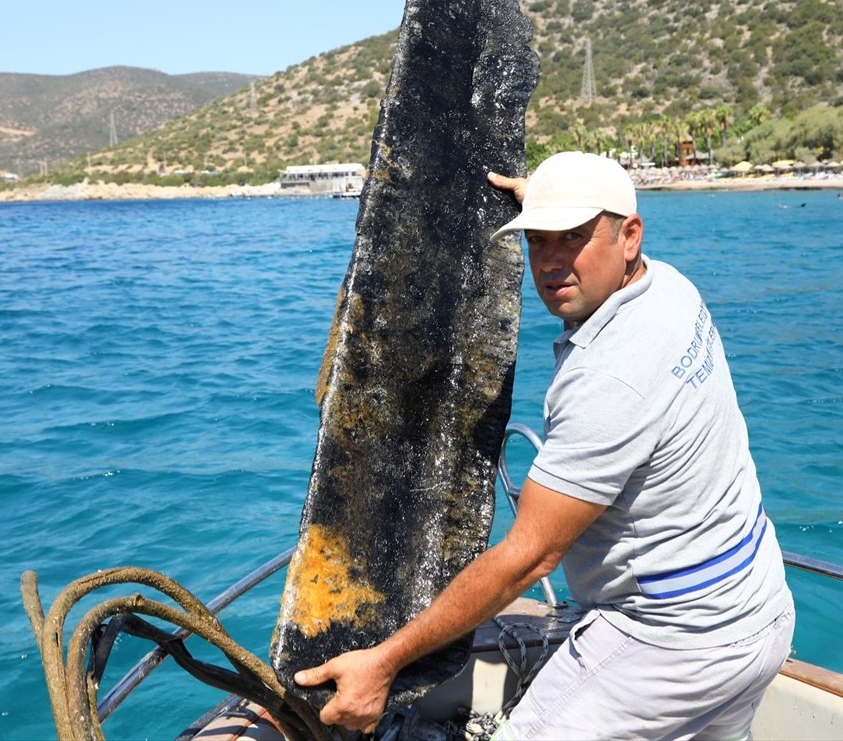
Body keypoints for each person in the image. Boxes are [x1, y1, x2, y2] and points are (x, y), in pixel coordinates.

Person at [295, 151, 794, 740]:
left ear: (629, 237)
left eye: (573, 238)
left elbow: (530, 558)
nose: (551, 262)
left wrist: (383, 662)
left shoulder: (610, 378)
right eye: (537, 241)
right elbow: (587, 233)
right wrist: (550, 201)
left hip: (671, 643)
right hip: (758, 609)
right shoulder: (669, 288)